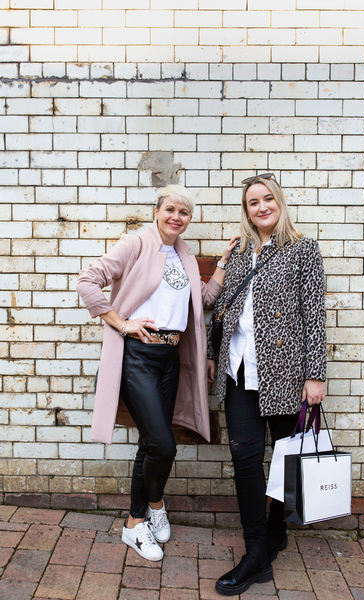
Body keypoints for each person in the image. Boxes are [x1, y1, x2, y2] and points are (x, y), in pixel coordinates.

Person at [77, 184, 238, 562]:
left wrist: (224, 262)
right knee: (164, 445)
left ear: (189, 219)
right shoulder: (136, 244)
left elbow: (204, 300)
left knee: (151, 443)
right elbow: (87, 281)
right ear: (157, 211)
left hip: (169, 359)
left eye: (184, 212)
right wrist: (122, 323)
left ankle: (150, 508)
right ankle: (137, 521)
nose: (176, 217)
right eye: (170, 209)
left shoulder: (183, 255)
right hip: (138, 357)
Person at [207, 173, 327, 596]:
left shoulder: (303, 249)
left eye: (267, 199)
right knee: (245, 460)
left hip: (285, 374)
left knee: (286, 460)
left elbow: (314, 315)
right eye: (252, 202)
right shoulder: (241, 252)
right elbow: (222, 309)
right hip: (239, 372)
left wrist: (315, 375)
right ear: (246, 210)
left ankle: (277, 530)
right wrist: (212, 353)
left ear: (279, 202)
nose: (261, 207)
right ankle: (256, 552)